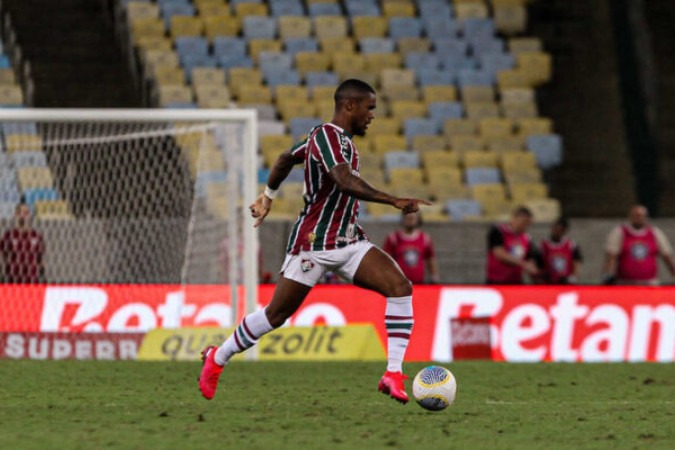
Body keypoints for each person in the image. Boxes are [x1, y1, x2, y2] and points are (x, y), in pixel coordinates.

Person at [198, 79, 430, 403]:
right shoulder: (325, 136)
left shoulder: (336, 142)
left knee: (400, 287)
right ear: (350, 105)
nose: (372, 115)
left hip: (349, 242)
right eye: (369, 107)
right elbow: (343, 180)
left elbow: (283, 159)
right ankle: (217, 358)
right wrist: (392, 200)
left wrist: (268, 196)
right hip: (313, 244)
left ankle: (392, 373)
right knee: (275, 316)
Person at [602, 204, 675, 285]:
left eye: (642, 215)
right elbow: (611, 257)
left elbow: (667, 256)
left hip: (650, 283)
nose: (639, 218)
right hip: (625, 283)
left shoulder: (655, 233)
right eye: (636, 215)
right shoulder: (620, 232)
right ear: (630, 216)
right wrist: (607, 277)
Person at [383, 211, 440, 284]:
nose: (409, 220)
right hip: (399, 285)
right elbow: (385, 261)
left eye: (412, 218)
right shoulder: (393, 238)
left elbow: (430, 259)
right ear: (403, 219)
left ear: (418, 219)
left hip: (419, 284)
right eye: (407, 218)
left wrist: (434, 276)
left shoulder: (425, 238)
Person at [485, 206, 538, 284]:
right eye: (524, 222)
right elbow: (499, 253)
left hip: (516, 281)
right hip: (496, 281)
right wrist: (523, 264)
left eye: (528, 224)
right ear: (514, 218)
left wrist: (533, 269)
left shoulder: (527, 238)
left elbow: (530, 258)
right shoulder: (498, 231)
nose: (525, 226)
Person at [0, 202, 45, 283]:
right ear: (16, 215)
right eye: (19, 212)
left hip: (31, 281)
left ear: (29, 215)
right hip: (13, 280)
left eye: (25, 212)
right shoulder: (9, 235)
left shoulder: (37, 236)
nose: (23, 215)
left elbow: (40, 258)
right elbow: (3, 256)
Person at [537, 217, 583, 284]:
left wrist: (573, 278)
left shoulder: (571, 245)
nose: (558, 231)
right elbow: (537, 265)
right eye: (556, 228)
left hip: (566, 283)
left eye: (561, 229)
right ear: (552, 227)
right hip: (548, 283)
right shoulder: (543, 245)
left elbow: (577, 264)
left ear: (564, 230)